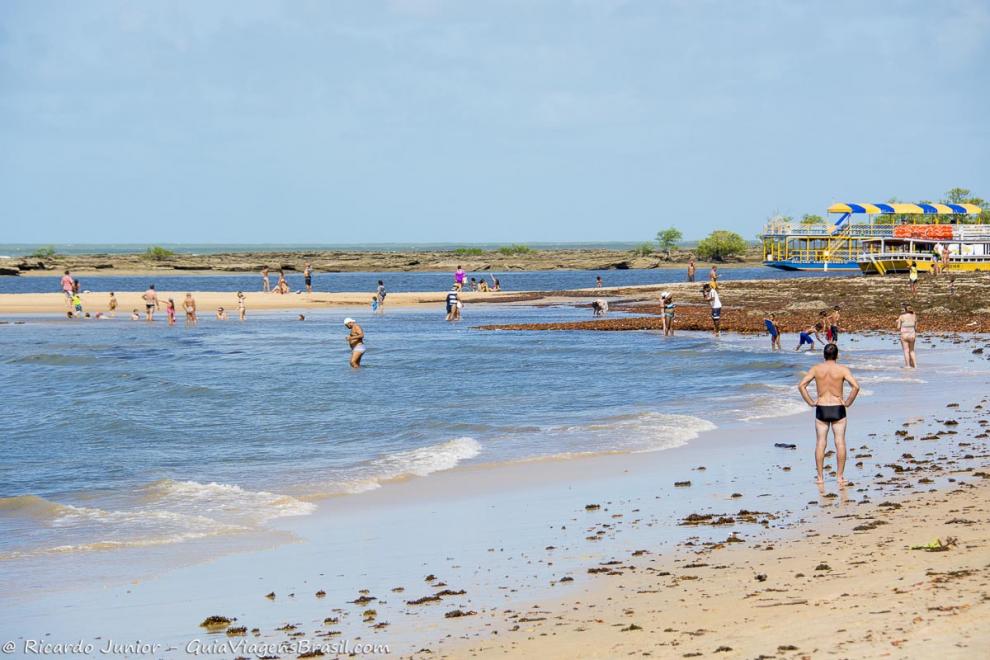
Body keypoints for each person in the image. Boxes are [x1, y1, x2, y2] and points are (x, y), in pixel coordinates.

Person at [798, 343, 861, 486]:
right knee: (840, 442)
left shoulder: (816, 369)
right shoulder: (842, 369)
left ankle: (820, 478)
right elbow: (856, 386)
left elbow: (801, 385)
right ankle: (840, 477)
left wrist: (810, 402)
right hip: (838, 407)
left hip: (822, 408)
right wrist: (848, 402)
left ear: (823, 355)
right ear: (837, 355)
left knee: (821, 442)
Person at [897, 303, 917, 368]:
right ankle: (915, 365)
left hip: (904, 335)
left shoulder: (901, 316)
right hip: (912, 334)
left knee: (906, 350)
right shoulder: (914, 316)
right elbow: (916, 327)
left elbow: (898, 327)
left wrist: (897, 322)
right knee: (912, 350)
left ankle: (908, 365)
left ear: (905, 309)